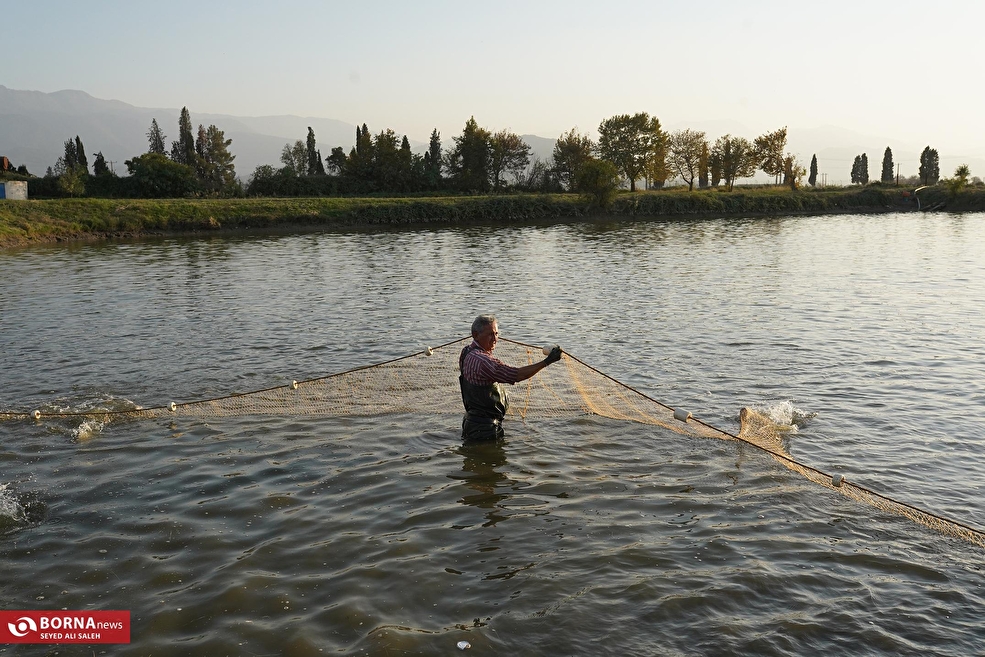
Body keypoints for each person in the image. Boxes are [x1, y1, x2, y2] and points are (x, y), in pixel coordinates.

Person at [459, 314, 562, 441]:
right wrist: (547, 361)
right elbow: (517, 375)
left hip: (471, 422)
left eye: (496, 333)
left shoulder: (466, 352)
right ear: (475, 335)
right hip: (484, 429)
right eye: (490, 334)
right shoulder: (483, 361)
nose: (495, 339)